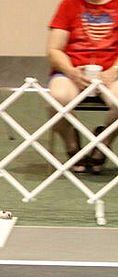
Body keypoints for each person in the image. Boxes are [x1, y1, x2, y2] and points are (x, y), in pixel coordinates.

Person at [48, 0, 118, 174]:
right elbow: (54, 49)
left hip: (112, 72)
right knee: (58, 97)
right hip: (72, 71)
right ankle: (72, 145)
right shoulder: (69, 5)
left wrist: (113, 71)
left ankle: (102, 144)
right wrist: (71, 71)